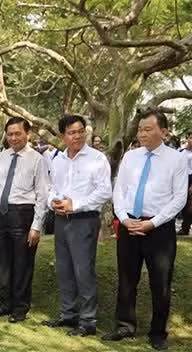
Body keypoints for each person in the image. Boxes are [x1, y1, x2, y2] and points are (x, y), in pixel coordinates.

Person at [104, 110, 187, 351]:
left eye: (148, 129)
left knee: (160, 282)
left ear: (164, 131)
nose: (142, 134)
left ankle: (158, 332)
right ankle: (124, 325)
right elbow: (119, 190)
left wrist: (153, 222)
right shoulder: (131, 157)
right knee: (127, 278)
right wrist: (123, 217)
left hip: (159, 229)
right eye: (140, 129)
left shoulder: (177, 159)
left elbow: (179, 198)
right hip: (129, 224)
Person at [42, 115, 112, 337]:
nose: (78, 136)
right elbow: (53, 187)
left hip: (84, 220)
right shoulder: (58, 159)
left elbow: (104, 191)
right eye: (72, 132)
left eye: (81, 131)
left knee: (83, 270)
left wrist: (76, 205)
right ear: (62, 136)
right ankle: (68, 314)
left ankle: (88, 320)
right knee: (64, 268)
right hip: (62, 219)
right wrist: (53, 201)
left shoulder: (97, 158)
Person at [0, 117, 51, 323]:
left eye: (17, 133)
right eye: (10, 134)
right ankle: (4, 304)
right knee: (3, 263)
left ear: (27, 134)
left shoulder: (37, 159)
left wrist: (36, 226)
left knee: (23, 263)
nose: (13, 138)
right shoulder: (2, 157)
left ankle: (20, 308)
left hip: (24, 214)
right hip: (2, 213)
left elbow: (42, 194)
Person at [178, 128, 192, 236]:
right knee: (180, 202)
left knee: (189, 205)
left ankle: (185, 227)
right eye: (190, 137)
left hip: (191, 178)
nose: (191, 140)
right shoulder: (181, 151)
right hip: (181, 177)